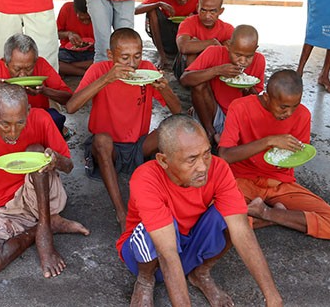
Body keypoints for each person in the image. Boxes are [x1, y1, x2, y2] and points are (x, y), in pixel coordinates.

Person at [120, 115, 283, 307]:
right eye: (192, 159)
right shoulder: (146, 179)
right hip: (149, 253)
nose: (203, 166)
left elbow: (241, 231)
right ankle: (145, 281)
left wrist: (273, 298)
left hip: (188, 243)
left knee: (236, 217)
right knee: (151, 230)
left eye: (206, 153)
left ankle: (201, 273)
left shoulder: (219, 168)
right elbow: (167, 254)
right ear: (164, 160)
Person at [0, 84, 89, 278]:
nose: (13, 132)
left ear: (28, 111)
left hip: (45, 197)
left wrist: (56, 160)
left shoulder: (41, 118)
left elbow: (69, 166)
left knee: (34, 150)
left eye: (20, 122)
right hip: (5, 208)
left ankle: (44, 236)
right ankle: (47, 225)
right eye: (5, 124)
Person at [66, 28, 181, 230]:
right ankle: (121, 212)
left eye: (137, 56)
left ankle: (176, 200)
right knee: (102, 141)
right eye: (124, 58)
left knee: (170, 130)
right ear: (111, 55)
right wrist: (106, 79)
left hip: (138, 145)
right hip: (107, 150)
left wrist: (165, 88)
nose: (132, 63)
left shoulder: (146, 70)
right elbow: (71, 107)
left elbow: (177, 111)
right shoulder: (99, 70)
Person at [219, 70, 330, 240]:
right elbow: (224, 155)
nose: (289, 113)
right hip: (242, 181)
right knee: (215, 222)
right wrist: (269, 141)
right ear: (266, 97)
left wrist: (267, 212)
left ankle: (266, 213)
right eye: (283, 107)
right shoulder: (240, 107)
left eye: (294, 106)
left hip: (279, 183)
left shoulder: (302, 115)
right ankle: (281, 216)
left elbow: (297, 154)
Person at [0, 34, 72, 134]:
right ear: (5, 62)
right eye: (17, 69)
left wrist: (44, 91)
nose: (22, 74)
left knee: (55, 118)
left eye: (29, 68)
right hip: (5, 125)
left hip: (34, 121)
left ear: (35, 61)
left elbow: (69, 99)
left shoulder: (41, 64)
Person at [180, 25, 265, 146]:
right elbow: (185, 80)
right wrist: (217, 71)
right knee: (199, 83)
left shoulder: (259, 60)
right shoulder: (214, 52)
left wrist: (247, 88)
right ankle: (209, 132)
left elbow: (256, 98)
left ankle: (227, 135)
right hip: (214, 111)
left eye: (249, 56)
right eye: (238, 54)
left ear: (255, 49)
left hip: (239, 117)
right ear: (229, 46)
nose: (242, 61)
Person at [135, 0, 200, 70]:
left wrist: (194, 17)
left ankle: (182, 56)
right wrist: (159, 3)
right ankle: (162, 55)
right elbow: (136, 10)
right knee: (152, 11)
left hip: (184, 37)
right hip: (165, 35)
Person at [174, 0, 234, 79]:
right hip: (185, 71)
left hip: (211, 71)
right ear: (198, 7)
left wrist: (204, 47)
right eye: (203, 10)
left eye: (212, 11)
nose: (207, 16)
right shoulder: (188, 23)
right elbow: (184, 47)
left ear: (220, 11)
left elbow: (236, 55)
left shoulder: (227, 29)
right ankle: (194, 85)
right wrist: (212, 43)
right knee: (191, 51)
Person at [56, 0, 95, 77]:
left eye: (89, 19)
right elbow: (55, 34)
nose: (86, 22)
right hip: (68, 52)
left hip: (90, 52)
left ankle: (70, 68)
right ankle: (84, 73)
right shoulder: (66, 9)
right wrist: (68, 34)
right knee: (53, 61)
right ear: (75, 11)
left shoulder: (98, 14)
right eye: (82, 19)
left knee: (103, 60)